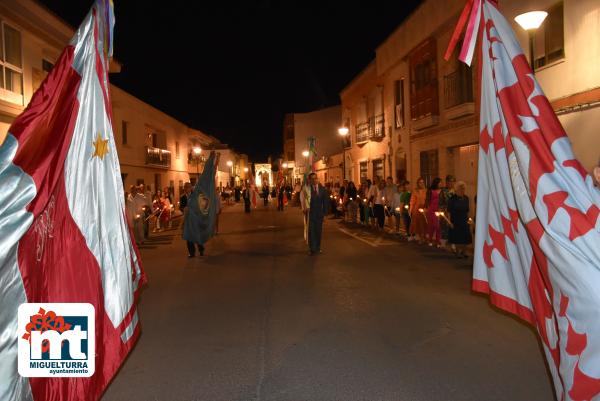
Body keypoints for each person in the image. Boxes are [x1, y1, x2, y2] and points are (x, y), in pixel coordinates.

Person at [301, 173, 329, 255]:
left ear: (317, 179)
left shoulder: (322, 189)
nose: (314, 180)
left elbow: (325, 202)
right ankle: (311, 248)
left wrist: (325, 214)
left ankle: (318, 247)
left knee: (318, 231)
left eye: (315, 178)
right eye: (312, 179)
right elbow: (303, 200)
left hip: (319, 214)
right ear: (309, 180)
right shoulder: (307, 190)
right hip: (310, 214)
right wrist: (304, 208)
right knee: (311, 231)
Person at [448, 181, 472, 258]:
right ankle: (458, 252)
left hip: (464, 219)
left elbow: (468, 210)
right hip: (455, 219)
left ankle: (464, 251)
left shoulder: (466, 198)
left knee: (466, 236)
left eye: (464, 189)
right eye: (461, 189)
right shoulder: (452, 199)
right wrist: (449, 222)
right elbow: (449, 211)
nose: (463, 190)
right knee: (457, 237)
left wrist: (469, 219)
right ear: (456, 190)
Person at [180, 182, 203, 257]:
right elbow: (181, 207)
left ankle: (201, 249)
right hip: (187, 219)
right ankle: (191, 252)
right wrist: (183, 209)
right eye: (186, 187)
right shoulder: (182, 197)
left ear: (191, 188)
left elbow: (199, 206)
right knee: (188, 236)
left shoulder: (195, 196)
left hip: (194, 219)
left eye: (188, 187)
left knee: (197, 234)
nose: (187, 189)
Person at [439, 175, 456, 248]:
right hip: (445, 212)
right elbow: (440, 203)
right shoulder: (443, 191)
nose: (451, 183)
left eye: (452, 181)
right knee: (444, 227)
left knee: (454, 227)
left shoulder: (456, 191)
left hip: (454, 212)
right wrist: (441, 211)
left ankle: (453, 243)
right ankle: (443, 243)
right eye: (449, 181)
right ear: (446, 182)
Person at [426, 177, 442, 247]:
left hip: (439, 210)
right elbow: (427, 200)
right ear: (436, 183)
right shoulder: (430, 190)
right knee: (432, 226)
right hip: (431, 209)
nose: (441, 184)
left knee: (438, 226)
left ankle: (438, 241)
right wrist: (426, 208)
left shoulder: (442, 191)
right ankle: (430, 239)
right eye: (440, 182)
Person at [409, 177, 427, 243]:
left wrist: (426, 208)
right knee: (417, 223)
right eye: (420, 182)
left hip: (424, 209)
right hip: (416, 209)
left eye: (422, 182)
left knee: (424, 223)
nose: (421, 184)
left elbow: (427, 200)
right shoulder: (415, 191)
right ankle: (419, 237)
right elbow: (412, 201)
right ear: (418, 183)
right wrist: (410, 209)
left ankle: (424, 237)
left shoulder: (426, 191)